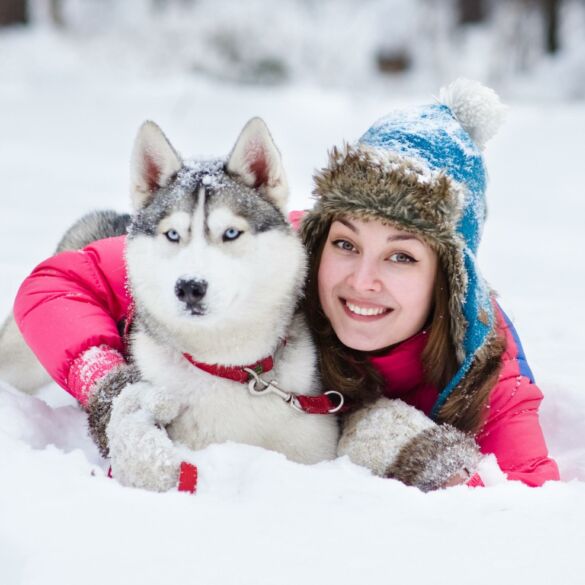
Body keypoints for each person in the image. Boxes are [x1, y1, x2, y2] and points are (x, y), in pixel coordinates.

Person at [13, 79, 559, 489]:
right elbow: (56, 284)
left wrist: (430, 464)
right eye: (346, 244)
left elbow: (524, 510)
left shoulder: (484, 365)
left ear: (449, 275)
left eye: (401, 257)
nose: (361, 281)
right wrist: (109, 389)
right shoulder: (285, 249)